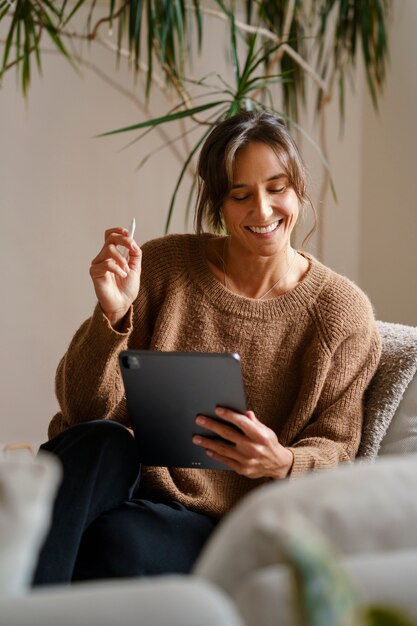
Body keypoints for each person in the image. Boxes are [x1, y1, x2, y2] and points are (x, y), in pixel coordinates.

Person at [33, 110, 381, 585]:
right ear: (218, 204)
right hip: (128, 476)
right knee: (98, 441)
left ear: (299, 189)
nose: (262, 211)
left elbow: (339, 449)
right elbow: (79, 409)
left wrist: (284, 462)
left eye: (277, 188)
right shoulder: (161, 267)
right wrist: (112, 317)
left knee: (117, 543)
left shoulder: (342, 314)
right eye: (241, 195)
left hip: (221, 521)